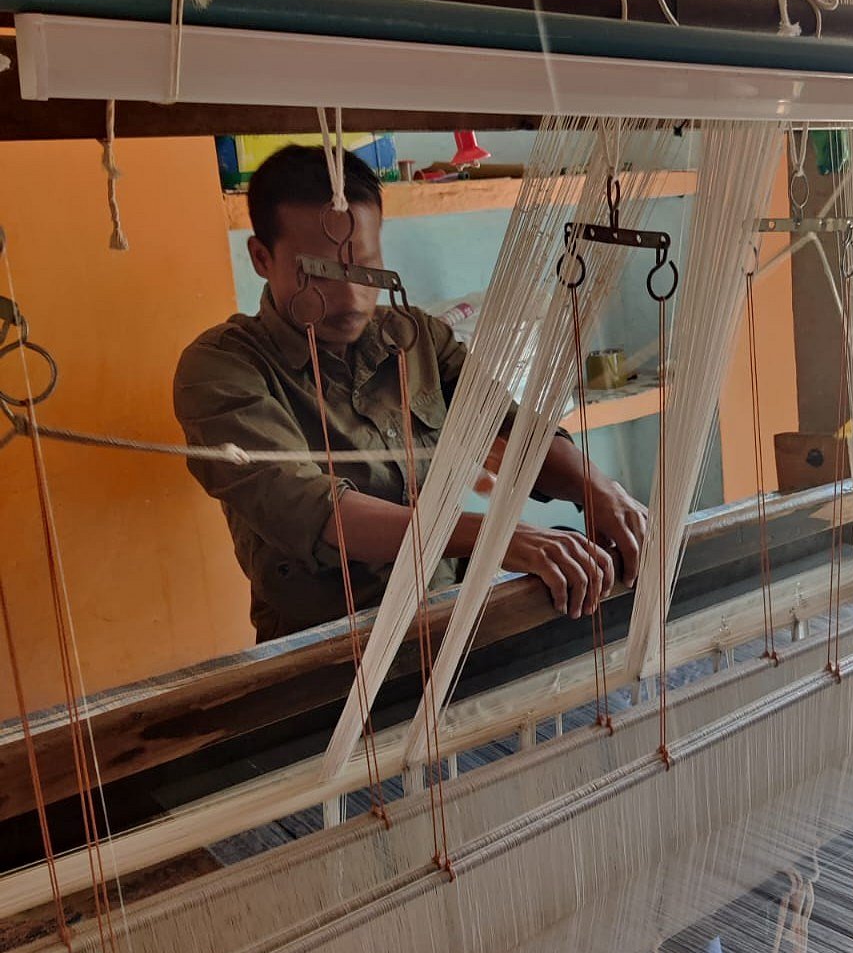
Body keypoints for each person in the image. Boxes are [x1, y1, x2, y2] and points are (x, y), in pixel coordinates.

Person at [174, 146, 646, 643]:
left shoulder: (415, 337)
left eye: (367, 269)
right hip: (326, 650)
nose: (351, 299)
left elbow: (511, 429)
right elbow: (314, 509)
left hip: (455, 621)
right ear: (261, 258)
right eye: (320, 274)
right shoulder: (221, 369)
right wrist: (496, 536)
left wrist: (598, 489)